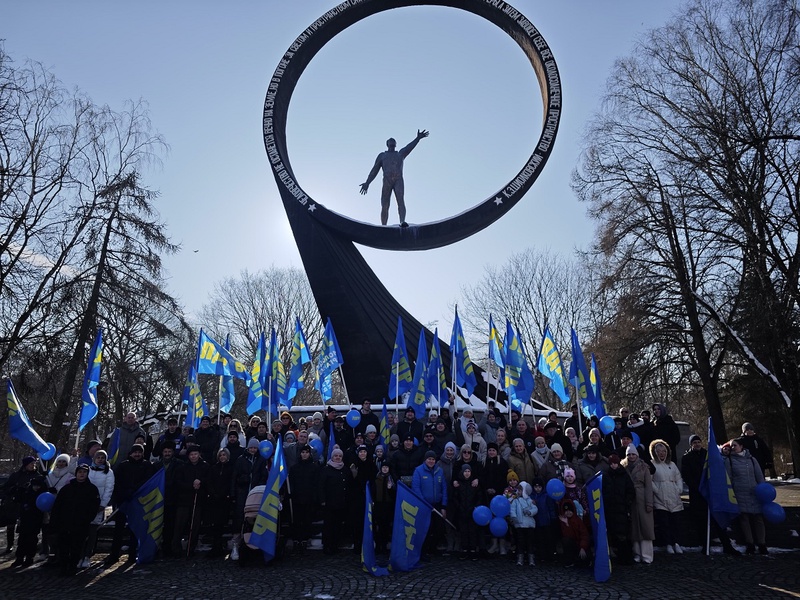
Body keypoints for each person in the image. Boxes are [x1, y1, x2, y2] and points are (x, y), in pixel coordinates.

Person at [680, 434, 739, 555]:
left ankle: (726, 545)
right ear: (691, 444)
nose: (697, 444)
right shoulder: (686, 458)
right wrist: (698, 487)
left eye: (698, 442)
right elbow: (687, 476)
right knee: (701, 522)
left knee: (718, 520)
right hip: (697, 494)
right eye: (694, 442)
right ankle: (704, 545)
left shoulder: (708, 455)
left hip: (711, 493)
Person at [359, 129, 429, 227]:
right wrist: (367, 183)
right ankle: (384, 225)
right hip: (387, 181)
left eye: (393, 141)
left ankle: (402, 221)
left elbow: (409, 147)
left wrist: (417, 138)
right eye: (390, 141)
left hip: (398, 180)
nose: (392, 141)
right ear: (387, 144)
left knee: (400, 200)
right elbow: (374, 170)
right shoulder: (382, 156)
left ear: (395, 144)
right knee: (385, 204)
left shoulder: (400, 154)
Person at [50, 464, 100, 576]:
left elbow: (94, 506)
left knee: (76, 547)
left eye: (84, 472)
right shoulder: (66, 489)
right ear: (76, 474)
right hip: (65, 522)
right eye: (80, 472)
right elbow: (58, 506)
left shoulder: (92, 489)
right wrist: (55, 522)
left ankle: (73, 566)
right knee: (63, 546)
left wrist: (87, 519)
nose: (82, 474)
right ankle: (63, 566)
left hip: (81, 523)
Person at [726, 437, 768, 554]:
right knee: (744, 518)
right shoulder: (729, 461)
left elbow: (759, 476)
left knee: (758, 518)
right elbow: (729, 478)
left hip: (754, 492)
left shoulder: (752, 459)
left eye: (735, 445)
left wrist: (763, 489)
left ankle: (762, 543)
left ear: (741, 446)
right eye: (731, 446)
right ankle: (750, 543)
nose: (733, 448)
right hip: (739, 492)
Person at [7, 457, 46, 567]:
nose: (33, 465)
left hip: (35, 512)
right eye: (30, 463)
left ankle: (29, 557)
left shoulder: (39, 477)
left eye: (34, 463)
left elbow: (42, 493)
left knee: (32, 536)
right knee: (22, 536)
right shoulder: (18, 476)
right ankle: (19, 557)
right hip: (24, 512)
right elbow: (12, 492)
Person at [172, 444, 210, 557]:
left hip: (198, 500)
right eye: (191, 455)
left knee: (195, 526)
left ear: (199, 455)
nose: (193, 456)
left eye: (195, 454)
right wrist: (190, 485)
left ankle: (191, 548)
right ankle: (176, 548)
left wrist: (201, 482)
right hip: (184, 500)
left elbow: (208, 479)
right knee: (179, 525)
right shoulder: (183, 467)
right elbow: (178, 482)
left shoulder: (205, 466)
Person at [649, 439, 684, 554]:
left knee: (676, 523)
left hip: (674, 496)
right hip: (660, 498)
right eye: (659, 451)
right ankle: (668, 544)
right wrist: (657, 490)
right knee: (665, 523)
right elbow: (650, 480)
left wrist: (679, 489)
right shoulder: (652, 464)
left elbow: (678, 477)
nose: (662, 453)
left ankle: (677, 543)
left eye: (664, 451)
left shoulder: (672, 464)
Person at [81, 450, 114, 567]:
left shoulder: (108, 472)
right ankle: (79, 555)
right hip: (85, 505)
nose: (100, 459)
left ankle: (87, 556)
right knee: (82, 532)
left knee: (92, 532)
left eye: (102, 458)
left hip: (98, 506)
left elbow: (108, 490)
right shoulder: (88, 470)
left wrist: (103, 504)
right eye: (98, 457)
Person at [412, 450, 448, 558]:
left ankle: (433, 548)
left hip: (437, 505)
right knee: (425, 529)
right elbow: (416, 488)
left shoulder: (439, 471)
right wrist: (423, 503)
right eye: (429, 459)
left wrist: (444, 506)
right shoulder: (418, 471)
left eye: (433, 459)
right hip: (425, 505)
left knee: (438, 529)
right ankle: (423, 551)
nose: (431, 461)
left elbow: (444, 489)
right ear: (425, 460)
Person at [622, 445, 654, 564]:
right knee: (634, 528)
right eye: (629, 454)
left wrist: (649, 502)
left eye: (633, 454)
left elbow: (649, 486)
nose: (631, 456)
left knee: (645, 527)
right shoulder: (623, 467)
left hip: (642, 497)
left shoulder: (644, 467)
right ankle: (637, 553)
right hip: (631, 498)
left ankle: (647, 555)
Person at [602, 453, 635, 565]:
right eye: (612, 464)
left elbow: (630, 489)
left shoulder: (623, 474)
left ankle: (626, 557)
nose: (614, 466)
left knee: (623, 534)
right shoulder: (605, 475)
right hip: (610, 508)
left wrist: (627, 501)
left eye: (615, 463)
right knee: (613, 533)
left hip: (622, 507)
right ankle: (618, 557)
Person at [288, 444, 321, 553]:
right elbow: (291, 483)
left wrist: (315, 497)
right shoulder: (294, 468)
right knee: (297, 520)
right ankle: (297, 540)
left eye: (306, 452)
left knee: (307, 520)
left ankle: (305, 541)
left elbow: (316, 483)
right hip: (297, 498)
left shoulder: (314, 467)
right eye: (303, 452)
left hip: (309, 498)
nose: (304, 454)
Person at [320, 448, 351, 555]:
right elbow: (321, 486)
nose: (338, 458)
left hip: (341, 502)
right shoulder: (326, 469)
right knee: (328, 525)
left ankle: (335, 545)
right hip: (329, 502)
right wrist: (323, 500)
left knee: (338, 525)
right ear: (332, 457)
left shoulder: (345, 470)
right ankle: (327, 545)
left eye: (340, 456)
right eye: (336, 456)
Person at [206, 448, 234, 557]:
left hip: (224, 499)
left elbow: (230, 482)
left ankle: (219, 546)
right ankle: (215, 546)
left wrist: (224, 494)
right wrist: (213, 493)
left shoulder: (230, 468)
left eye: (224, 455)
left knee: (221, 524)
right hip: (214, 499)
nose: (222, 457)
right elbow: (209, 481)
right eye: (221, 455)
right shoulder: (213, 468)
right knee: (214, 524)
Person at [451, 463, 480, 560]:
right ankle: (464, 549)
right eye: (465, 471)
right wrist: (459, 507)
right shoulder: (458, 483)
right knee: (463, 531)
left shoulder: (474, 484)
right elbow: (455, 497)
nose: (467, 473)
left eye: (468, 471)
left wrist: (475, 507)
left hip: (472, 511)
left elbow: (478, 496)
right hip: (462, 511)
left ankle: (472, 549)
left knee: (472, 531)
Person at [509, 481, 538, 566]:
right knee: (520, 542)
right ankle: (520, 557)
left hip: (529, 525)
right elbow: (512, 510)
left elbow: (535, 509)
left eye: (520, 490)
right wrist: (514, 518)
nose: (519, 492)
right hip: (519, 524)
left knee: (530, 542)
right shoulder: (515, 501)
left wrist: (529, 512)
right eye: (518, 490)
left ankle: (531, 557)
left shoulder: (530, 501)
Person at [557, 499, 591, 567]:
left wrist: (582, 547)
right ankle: (570, 560)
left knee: (585, 561)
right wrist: (566, 524)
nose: (568, 513)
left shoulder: (578, 520)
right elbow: (567, 536)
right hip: (572, 545)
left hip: (581, 545)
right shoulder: (563, 521)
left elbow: (584, 535)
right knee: (566, 540)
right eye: (566, 511)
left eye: (570, 510)